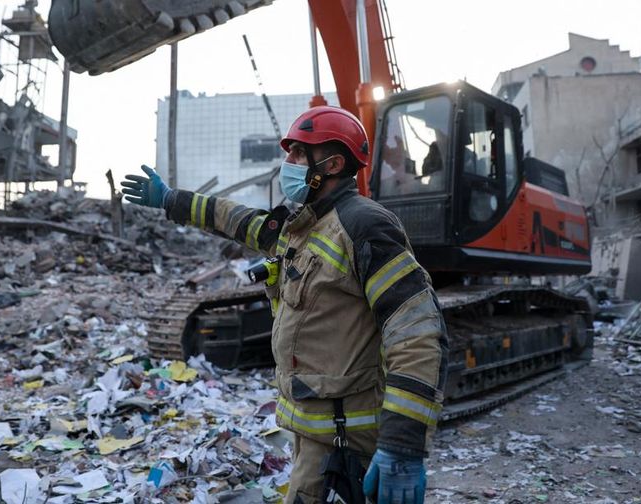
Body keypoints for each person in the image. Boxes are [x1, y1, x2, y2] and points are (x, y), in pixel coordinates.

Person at [122, 106, 448, 504]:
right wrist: (172, 200)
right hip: (315, 434)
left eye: (298, 153)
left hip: (348, 445)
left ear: (332, 164)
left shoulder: (364, 225)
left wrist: (402, 447)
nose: (287, 163)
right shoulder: (305, 226)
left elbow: (416, 334)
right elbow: (238, 220)